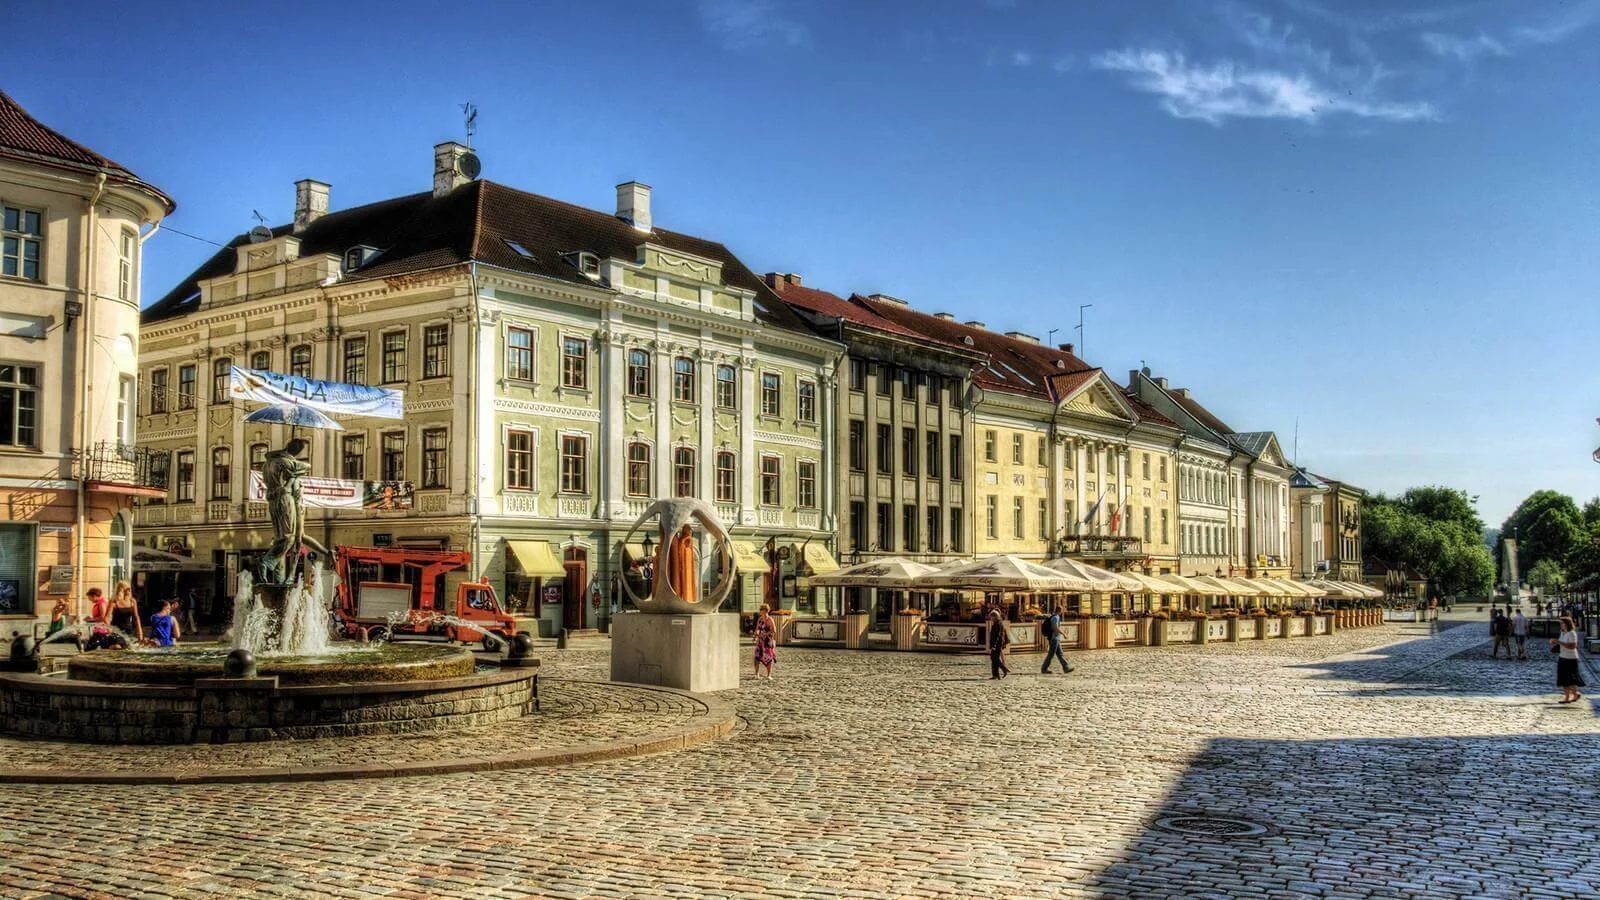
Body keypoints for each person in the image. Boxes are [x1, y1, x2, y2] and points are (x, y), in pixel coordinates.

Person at [1552, 616, 1585, 704]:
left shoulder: (1572, 633)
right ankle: (1571, 696)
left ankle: (1571, 696)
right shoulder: (1562, 633)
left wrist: (1558, 642)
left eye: (1562, 623)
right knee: (1563, 678)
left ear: (1567, 624)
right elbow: (1561, 644)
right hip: (1562, 657)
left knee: (1571, 678)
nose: (1561, 625)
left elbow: (1572, 646)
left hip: (1571, 659)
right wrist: (1555, 644)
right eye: (1560, 623)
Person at [108, 581, 143, 645]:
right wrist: (109, 629)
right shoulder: (114, 602)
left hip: (128, 630)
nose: (129, 591)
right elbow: (107, 617)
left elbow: (136, 617)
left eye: (129, 589)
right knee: (118, 646)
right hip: (116, 630)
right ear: (121, 590)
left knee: (128, 647)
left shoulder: (132, 601)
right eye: (127, 589)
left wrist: (140, 633)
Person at [1040, 610, 1071, 674]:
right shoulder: (1056, 617)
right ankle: (1044, 668)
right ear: (1060, 611)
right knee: (1051, 654)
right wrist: (1063, 634)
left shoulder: (1054, 616)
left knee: (1060, 654)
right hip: (1054, 639)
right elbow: (1055, 627)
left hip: (1055, 638)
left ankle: (1066, 668)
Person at [987, 605, 1012, 680]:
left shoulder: (998, 624)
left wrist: (994, 645)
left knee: (995, 658)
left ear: (995, 617)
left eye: (991, 617)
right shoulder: (997, 623)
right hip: (996, 644)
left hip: (997, 644)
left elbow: (998, 636)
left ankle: (1003, 669)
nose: (991, 619)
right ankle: (995, 675)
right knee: (993, 659)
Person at [752, 605, 777, 678]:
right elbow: (757, 629)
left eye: (761, 610)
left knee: (769, 657)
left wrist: (765, 634)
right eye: (760, 610)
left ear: (766, 611)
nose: (760, 611)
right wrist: (755, 635)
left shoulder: (770, 619)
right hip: (760, 641)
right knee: (757, 657)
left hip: (768, 641)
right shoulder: (760, 619)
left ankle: (769, 675)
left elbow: (774, 630)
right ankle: (756, 674)